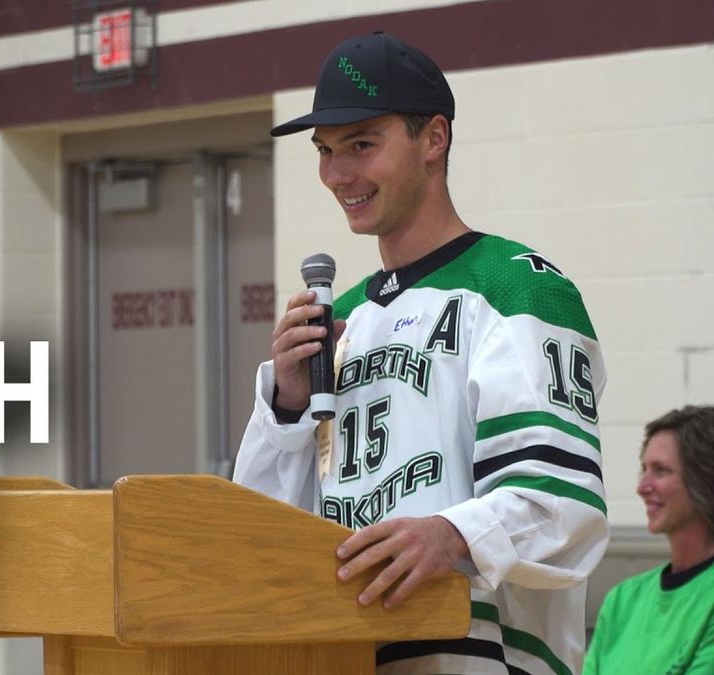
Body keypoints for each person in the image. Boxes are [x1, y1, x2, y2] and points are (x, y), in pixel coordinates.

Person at [233, 32, 609, 674]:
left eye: (360, 145)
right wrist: (289, 407)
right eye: (324, 151)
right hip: (344, 650)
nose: (337, 174)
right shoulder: (343, 316)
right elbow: (257, 531)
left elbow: (562, 499)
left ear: (434, 139)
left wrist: (454, 532)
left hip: (481, 655)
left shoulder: (518, 286)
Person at [583, 406, 714, 674]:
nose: (642, 487)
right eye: (644, 469)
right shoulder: (622, 601)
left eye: (661, 470)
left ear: (704, 477)